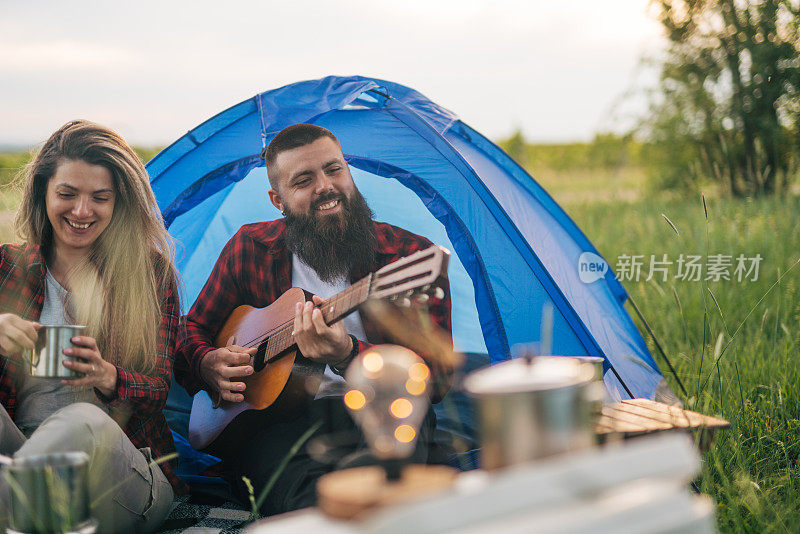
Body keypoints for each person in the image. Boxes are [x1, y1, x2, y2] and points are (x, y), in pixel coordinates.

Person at [175, 123, 452, 516]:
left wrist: (346, 353)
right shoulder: (249, 248)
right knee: (306, 506)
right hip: (276, 426)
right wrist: (206, 363)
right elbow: (190, 328)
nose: (325, 185)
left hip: (382, 410)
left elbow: (436, 377)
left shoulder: (407, 258)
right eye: (304, 180)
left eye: (333, 169)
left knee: (382, 497)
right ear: (278, 199)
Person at [0, 120, 183, 533]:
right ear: (43, 192)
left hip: (124, 472)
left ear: (119, 202)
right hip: (20, 446)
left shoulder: (149, 274)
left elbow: (158, 389)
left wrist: (108, 376)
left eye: (100, 198)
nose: (82, 212)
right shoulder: (6, 267)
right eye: (67, 194)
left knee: (84, 419)